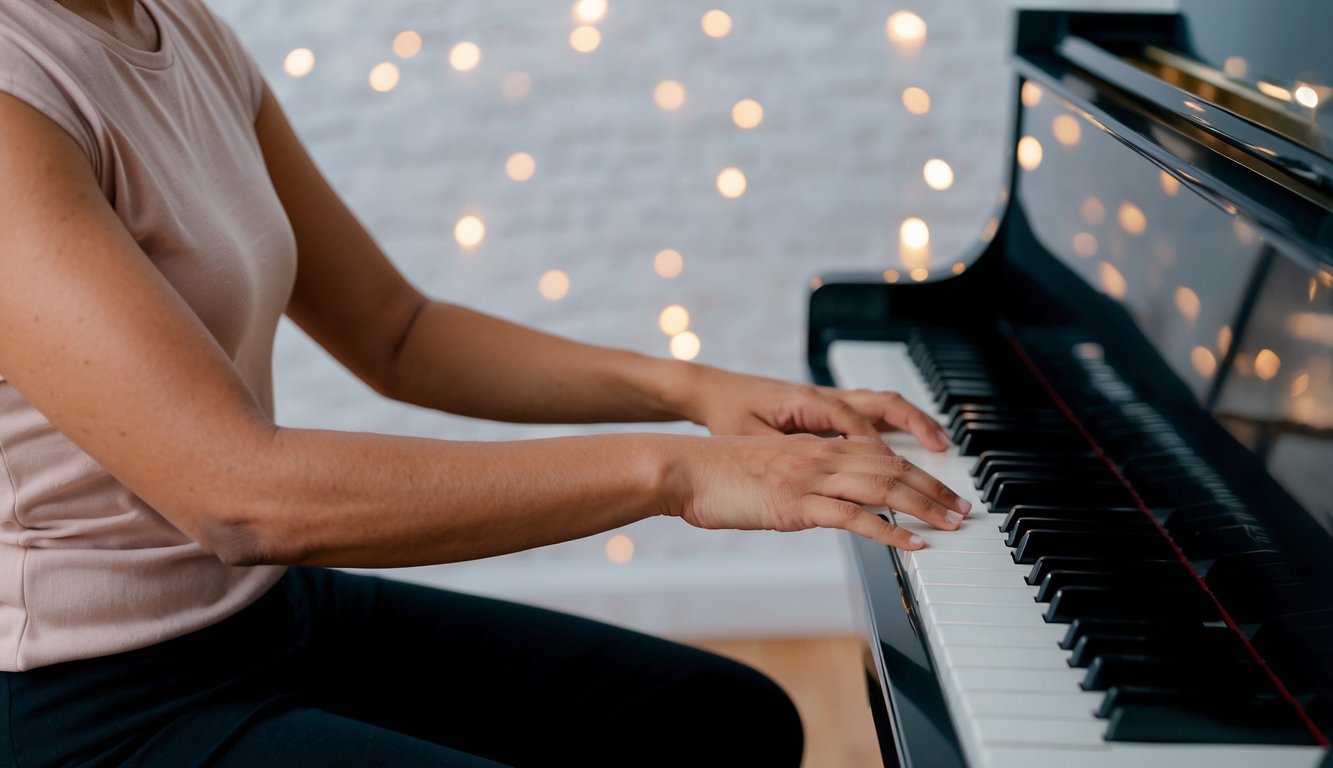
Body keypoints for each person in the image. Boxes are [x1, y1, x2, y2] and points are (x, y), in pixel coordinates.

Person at [0, 0, 972, 765]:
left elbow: (397, 331)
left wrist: (694, 390)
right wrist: (678, 474)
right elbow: (242, 497)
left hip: (261, 614)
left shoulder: (179, 28)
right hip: (81, 699)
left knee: (720, 722)